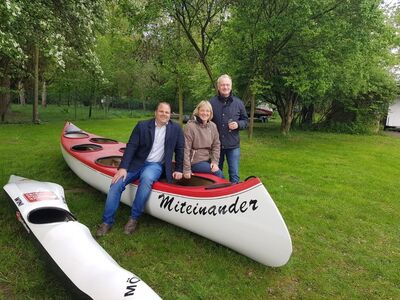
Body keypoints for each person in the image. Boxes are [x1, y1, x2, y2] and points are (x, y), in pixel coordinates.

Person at [96, 102, 184, 237]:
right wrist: (123, 168)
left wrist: (178, 169)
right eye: (161, 111)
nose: (164, 114)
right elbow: (131, 147)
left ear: (170, 114)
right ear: (155, 112)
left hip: (155, 165)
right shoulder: (142, 126)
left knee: (146, 179)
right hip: (136, 163)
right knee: (116, 184)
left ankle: (133, 219)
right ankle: (107, 222)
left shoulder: (176, 129)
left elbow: (179, 150)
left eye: (167, 112)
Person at [210, 74, 248, 183]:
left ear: (231, 87)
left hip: (233, 145)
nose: (225, 87)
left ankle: (234, 196)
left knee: (234, 174)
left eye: (227, 85)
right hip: (216, 146)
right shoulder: (211, 103)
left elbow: (246, 121)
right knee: (215, 174)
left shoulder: (239, 103)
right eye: (222, 85)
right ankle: (216, 195)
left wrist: (238, 124)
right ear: (218, 87)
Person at [183, 100, 224, 179]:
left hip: (207, 159)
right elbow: (186, 148)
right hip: (194, 162)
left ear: (210, 113)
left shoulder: (213, 126)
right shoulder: (190, 126)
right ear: (198, 111)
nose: (205, 113)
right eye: (202, 110)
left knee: (216, 170)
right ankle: (221, 191)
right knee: (218, 174)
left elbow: (216, 145)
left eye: (207, 111)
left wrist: (215, 162)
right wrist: (186, 169)